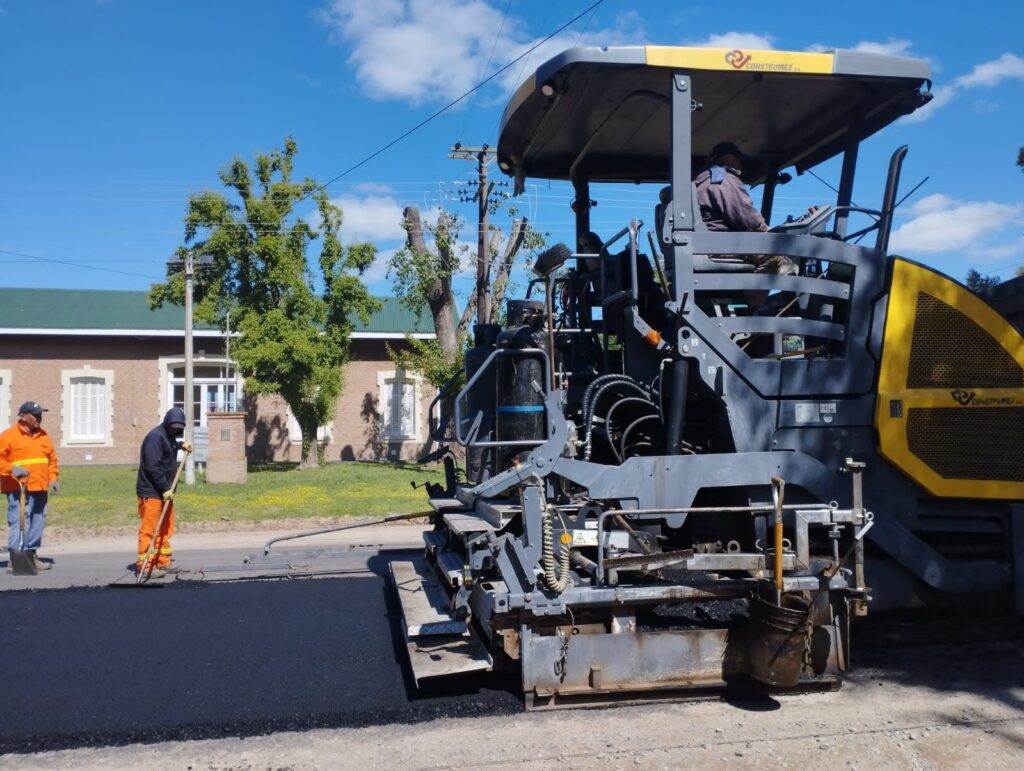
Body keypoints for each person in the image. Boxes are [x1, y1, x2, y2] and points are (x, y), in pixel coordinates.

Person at [694, 141, 797, 275]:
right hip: (721, 246)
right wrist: (766, 230)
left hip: (707, 245)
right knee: (777, 255)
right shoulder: (724, 179)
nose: (741, 166)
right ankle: (753, 290)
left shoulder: (701, 180)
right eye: (739, 160)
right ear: (729, 159)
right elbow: (745, 217)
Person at [0, 401, 60, 571]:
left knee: (38, 521)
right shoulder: (9, 435)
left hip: (40, 486)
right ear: (22, 416)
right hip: (18, 488)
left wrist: (53, 478)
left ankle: (31, 555)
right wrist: (12, 468)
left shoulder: (43, 435)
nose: (39, 418)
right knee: (20, 522)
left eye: (40, 415)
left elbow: (52, 460)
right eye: (35, 415)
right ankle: (16, 559)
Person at [135, 407, 191, 577]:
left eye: (178, 428)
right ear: (167, 423)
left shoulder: (168, 436)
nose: (175, 430)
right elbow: (153, 467)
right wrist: (165, 488)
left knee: (165, 528)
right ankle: (145, 567)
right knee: (149, 529)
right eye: (173, 427)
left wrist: (181, 445)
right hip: (152, 491)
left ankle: (162, 562)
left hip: (166, 491)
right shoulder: (154, 437)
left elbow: (169, 448)